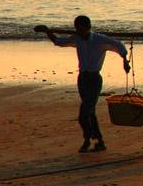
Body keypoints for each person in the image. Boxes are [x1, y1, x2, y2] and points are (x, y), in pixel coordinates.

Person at [34, 16, 130, 154]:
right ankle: (99, 141)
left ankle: (87, 140)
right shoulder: (77, 39)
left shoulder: (99, 40)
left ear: (89, 28)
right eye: (78, 29)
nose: (80, 32)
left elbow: (119, 45)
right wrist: (47, 31)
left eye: (83, 29)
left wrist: (125, 61)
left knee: (84, 112)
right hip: (82, 79)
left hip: (94, 79)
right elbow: (58, 41)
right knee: (90, 112)